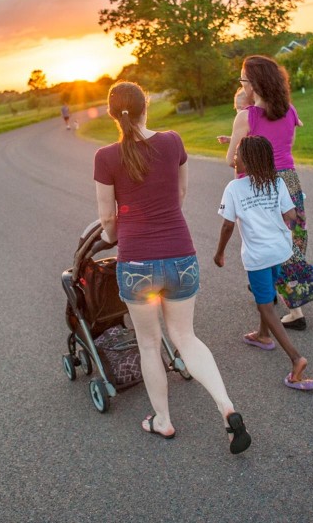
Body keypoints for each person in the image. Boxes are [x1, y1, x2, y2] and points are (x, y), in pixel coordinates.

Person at [94, 81, 251, 454]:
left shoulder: (105, 157)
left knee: (149, 344)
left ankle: (162, 420)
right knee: (187, 338)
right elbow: (179, 195)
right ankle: (227, 408)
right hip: (180, 255)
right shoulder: (172, 141)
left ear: (113, 115)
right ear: (146, 106)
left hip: (136, 264)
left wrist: (119, 229)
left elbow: (106, 220)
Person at [214, 136, 313, 391]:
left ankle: (296, 359)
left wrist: (219, 253)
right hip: (280, 251)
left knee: (265, 306)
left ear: (248, 161)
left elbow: (228, 224)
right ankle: (263, 335)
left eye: (237, 154)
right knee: (268, 294)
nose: (234, 159)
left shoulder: (234, 188)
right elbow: (291, 215)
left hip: (258, 257)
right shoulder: (276, 182)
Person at [225, 55, 309, 330]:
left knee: (260, 240)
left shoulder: (246, 116)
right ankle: (295, 309)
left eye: (243, 80)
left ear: (253, 84)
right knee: (291, 240)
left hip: (257, 185)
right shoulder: (290, 111)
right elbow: (287, 145)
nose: (241, 85)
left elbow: (231, 159)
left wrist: (237, 143)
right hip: (288, 182)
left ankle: (266, 290)